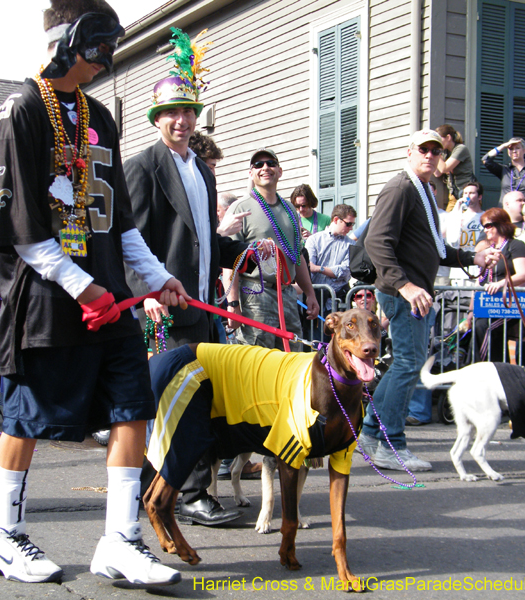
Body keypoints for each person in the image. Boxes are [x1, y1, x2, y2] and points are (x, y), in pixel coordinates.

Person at [0, 1, 189, 587]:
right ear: (71, 39)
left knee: (132, 407)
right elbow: (18, 225)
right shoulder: (19, 111)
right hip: (46, 298)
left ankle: (120, 541)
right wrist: (79, 284)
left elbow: (118, 219)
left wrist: (154, 275)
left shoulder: (100, 116)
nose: (106, 61)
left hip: (109, 296)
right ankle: (1, 535)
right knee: (25, 417)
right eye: (101, 47)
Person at [123, 31, 254, 527]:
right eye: (171, 112)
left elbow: (203, 240)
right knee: (163, 401)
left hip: (202, 306)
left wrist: (242, 252)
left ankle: (191, 492)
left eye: (188, 111)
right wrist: (147, 292)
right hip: (162, 306)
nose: (181, 121)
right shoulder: (142, 167)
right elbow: (129, 239)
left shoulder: (203, 170)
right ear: (157, 118)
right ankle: (154, 491)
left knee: (199, 398)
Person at [358, 130, 495, 470]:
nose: (431, 155)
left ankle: (374, 434)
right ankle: (391, 443)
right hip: (403, 293)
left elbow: (434, 247)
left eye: (436, 150)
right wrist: (404, 286)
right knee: (408, 362)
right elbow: (377, 242)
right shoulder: (401, 188)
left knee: (406, 362)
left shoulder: (424, 191)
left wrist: (471, 257)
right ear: (410, 152)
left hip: (413, 292)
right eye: (424, 149)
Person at [224, 149, 320, 348]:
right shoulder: (240, 208)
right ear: (251, 173)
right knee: (258, 360)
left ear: (280, 171)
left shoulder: (290, 209)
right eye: (258, 165)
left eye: (270, 163)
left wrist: (310, 293)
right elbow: (228, 262)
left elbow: (297, 255)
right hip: (255, 294)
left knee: (291, 355)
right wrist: (233, 305)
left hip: (287, 294)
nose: (265, 168)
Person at [469, 208, 525, 364]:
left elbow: (523, 274)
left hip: (510, 303)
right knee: (480, 328)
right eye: (484, 226)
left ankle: (480, 368)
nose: (486, 230)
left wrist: (499, 284)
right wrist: (471, 309)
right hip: (486, 303)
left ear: (501, 225)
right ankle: (496, 373)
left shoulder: (516, 245)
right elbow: (479, 281)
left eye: (489, 225)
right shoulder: (487, 250)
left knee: (484, 327)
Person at [305, 203, 356, 317]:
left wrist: (319, 268)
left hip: (340, 302)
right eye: (348, 224)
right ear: (336, 219)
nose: (351, 228)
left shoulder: (351, 245)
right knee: (317, 335)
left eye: (352, 224)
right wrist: (330, 271)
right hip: (317, 300)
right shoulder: (314, 240)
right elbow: (309, 268)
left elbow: (345, 272)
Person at [481, 137, 525, 207]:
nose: (514, 151)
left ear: (524, 150)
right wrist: (503, 146)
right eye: (511, 149)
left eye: (517, 148)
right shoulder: (504, 169)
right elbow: (486, 160)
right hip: (505, 212)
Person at [443, 181, 484, 281]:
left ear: (479, 197)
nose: (467, 196)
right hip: (460, 267)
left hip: (477, 266)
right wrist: (457, 209)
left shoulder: (485, 216)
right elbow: (444, 235)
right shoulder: (457, 215)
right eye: (465, 193)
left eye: (471, 193)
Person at [434, 124, 474, 210]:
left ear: (448, 137)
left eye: (439, 140)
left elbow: (444, 168)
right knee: (449, 221)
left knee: (465, 221)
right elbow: (437, 173)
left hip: (466, 193)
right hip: (453, 194)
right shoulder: (445, 153)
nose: (438, 143)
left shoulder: (461, 149)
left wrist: (436, 153)